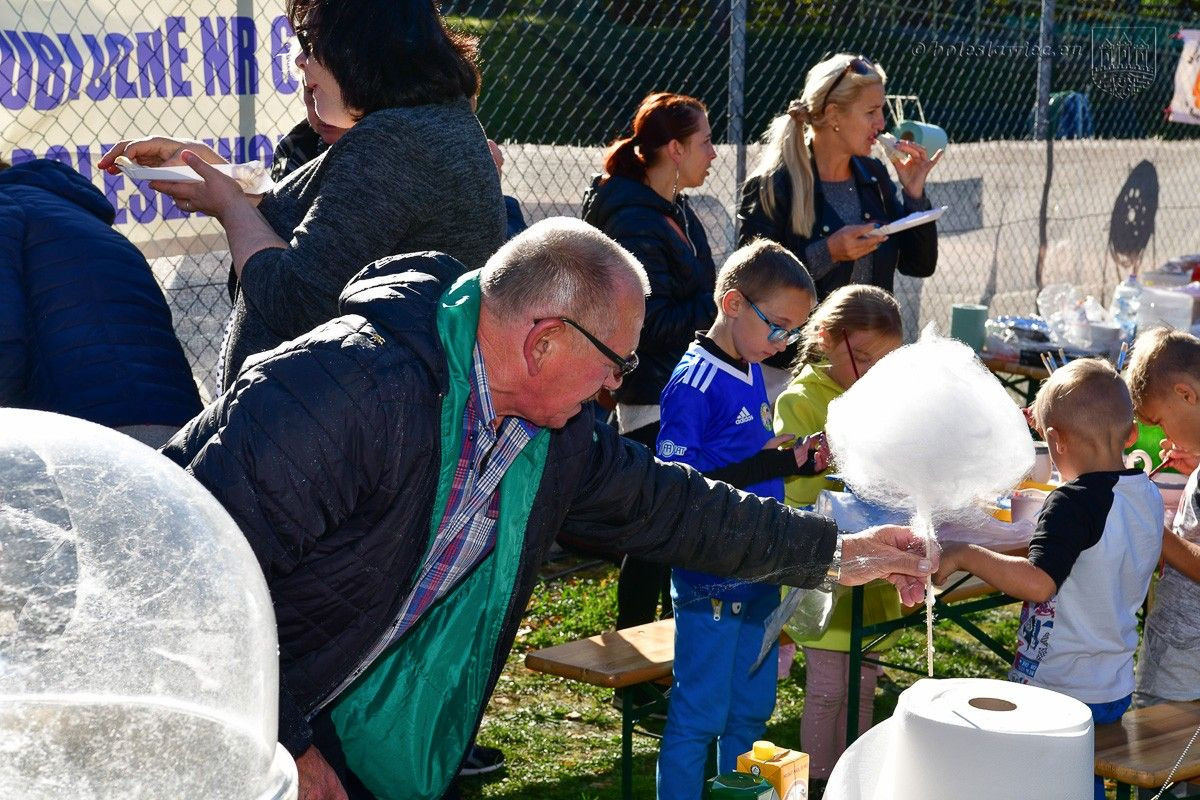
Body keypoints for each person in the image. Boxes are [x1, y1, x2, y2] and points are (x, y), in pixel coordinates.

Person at [161, 218, 935, 800]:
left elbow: (674, 509)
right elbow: (193, 579)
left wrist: (837, 548)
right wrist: (288, 744)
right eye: (614, 365)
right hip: (218, 717)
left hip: (362, 724)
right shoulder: (347, 389)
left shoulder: (552, 434)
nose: (613, 390)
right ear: (543, 342)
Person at [98, 0, 505, 390]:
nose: (299, 60)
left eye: (311, 44)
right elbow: (328, 231)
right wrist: (218, 176)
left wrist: (231, 206)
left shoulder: (394, 144)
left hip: (330, 434)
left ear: (358, 46)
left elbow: (296, 301)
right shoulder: (427, 126)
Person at [934, 358, 1162, 800]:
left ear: (1054, 440)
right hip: (1113, 683)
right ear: (1131, 433)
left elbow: (1039, 583)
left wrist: (965, 554)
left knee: (1042, 785)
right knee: (1080, 781)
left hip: (1060, 687)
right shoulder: (1146, 492)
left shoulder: (1071, 503)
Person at [654, 240, 827, 800]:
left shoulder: (749, 365)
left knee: (751, 713)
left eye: (793, 332)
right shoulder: (694, 381)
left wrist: (787, 457)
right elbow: (681, 483)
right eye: (778, 326)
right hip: (713, 574)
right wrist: (767, 462)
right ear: (732, 303)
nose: (784, 343)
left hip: (759, 563)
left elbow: (742, 456)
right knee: (699, 715)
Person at [581, 91, 719, 632]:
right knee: (653, 532)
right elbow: (649, 320)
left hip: (677, 389)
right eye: (704, 142)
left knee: (668, 525)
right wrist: (716, 307)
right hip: (651, 396)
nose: (713, 153)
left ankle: (663, 652)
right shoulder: (636, 218)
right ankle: (636, 653)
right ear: (674, 149)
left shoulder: (672, 208)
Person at [772, 283, 903, 786]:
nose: (874, 371)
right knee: (827, 689)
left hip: (874, 569)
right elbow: (792, 490)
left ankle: (855, 785)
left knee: (863, 686)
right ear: (826, 338)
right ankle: (823, 785)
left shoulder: (883, 398)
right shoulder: (801, 401)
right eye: (865, 357)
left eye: (885, 361)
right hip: (827, 567)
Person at [0, 158, 201, 447]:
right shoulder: (75, 216)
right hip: (180, 426)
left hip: (89, 435)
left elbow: (4, 339)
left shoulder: (6, 210)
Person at [737, 53, 940, 300]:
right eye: (871, 112)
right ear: (834, 115)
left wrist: (914, 194)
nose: (881, 122)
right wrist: (828, 253)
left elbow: (919, 265)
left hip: (877, 337)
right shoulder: (772, 186)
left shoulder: (873, 175)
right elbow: (750, 281)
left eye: (881, 110)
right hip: (805, 339)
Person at [1123, 328, 1200, 709]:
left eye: (1160, 421)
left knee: (1165, 759)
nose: (1161, 434)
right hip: (1185, 652)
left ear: (1186, 395)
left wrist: (1151, 527)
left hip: (1185, 666)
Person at [271, 84, 351, 182]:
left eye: (339, 93)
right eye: (312, 93)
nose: (324, 112)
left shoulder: (371, 154)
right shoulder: (291, 149)